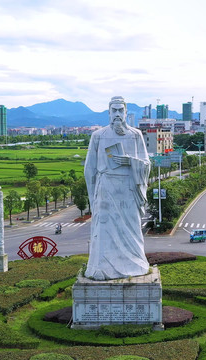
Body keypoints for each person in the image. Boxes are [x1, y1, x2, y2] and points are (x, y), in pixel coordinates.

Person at [84, 96, 151, 280]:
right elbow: (89, 169)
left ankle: (134, 263)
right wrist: (93, 197)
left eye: (121, 111)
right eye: (114, 111)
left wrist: (130, 162)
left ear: (126, 113)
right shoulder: (98, 136)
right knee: (104, 230)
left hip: (128, 190)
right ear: (108, 113)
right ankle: (101, 267)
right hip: (106, 189)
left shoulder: (135, 135)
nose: (117, 115)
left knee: (131, 229)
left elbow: (146, 164)